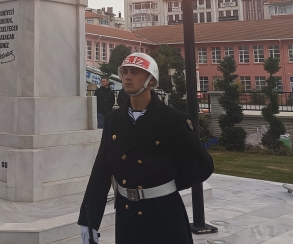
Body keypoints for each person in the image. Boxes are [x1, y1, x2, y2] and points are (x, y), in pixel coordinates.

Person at [77, 53, 214, 244]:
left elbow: (202, 166)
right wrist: (89, 219)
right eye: (124, 72)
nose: (127, 77)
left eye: (135, 72)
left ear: (151, 81)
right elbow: (102, 170)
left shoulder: (174, 120)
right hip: (127, 215)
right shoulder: (113, 120)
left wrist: (165, 184)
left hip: (164, 214)